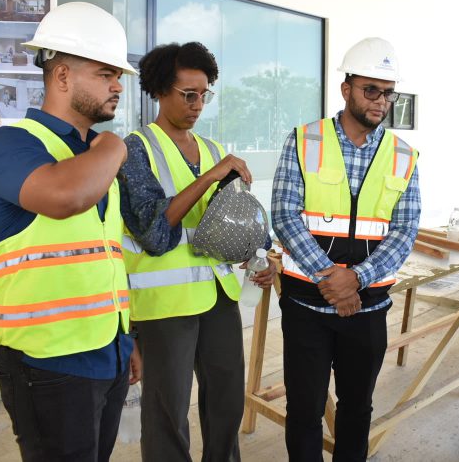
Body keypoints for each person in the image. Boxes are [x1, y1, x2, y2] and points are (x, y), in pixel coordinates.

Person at [0, 2, 141, 461]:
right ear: (62, 76)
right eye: (106, 73)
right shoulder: (10, 143)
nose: (118, 85)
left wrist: (127, 339)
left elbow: (106, 256)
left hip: (109, 350)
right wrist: (114, 146)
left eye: (118, 75)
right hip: (47, 364)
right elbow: (64, 197)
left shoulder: (94, 156)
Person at [118, 41, 275, 462]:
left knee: (226, 401)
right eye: (189, 94)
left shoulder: (211, 150)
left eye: (204, 93)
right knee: (168, 410)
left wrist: (260, 254)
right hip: (164, 304)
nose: (198, 103)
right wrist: (210, 177)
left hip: (219, 295)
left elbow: (234, 220)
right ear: (159, 90)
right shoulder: (135, 150)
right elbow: (153, 230)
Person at [272, 37, 421, 461]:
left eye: (388, 92)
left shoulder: (403, 155)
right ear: (346, 89)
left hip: (368, 310)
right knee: (304, 409)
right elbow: (284, 215)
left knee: (358, 410)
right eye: (370, 89)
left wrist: (356, 279)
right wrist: (330, 278)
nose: (380, 101)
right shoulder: (304, 141)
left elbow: (405, 229)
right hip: (306, 308)